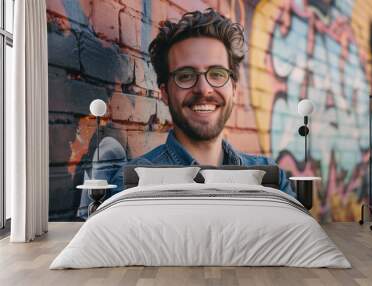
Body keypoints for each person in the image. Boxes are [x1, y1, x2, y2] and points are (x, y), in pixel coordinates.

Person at [78, 8, 294, 219]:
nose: (203, 89)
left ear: (234, 89)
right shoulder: (131, 182)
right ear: (164, 93)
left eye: (217, 74)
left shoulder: (270, 177)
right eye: (185, 76)